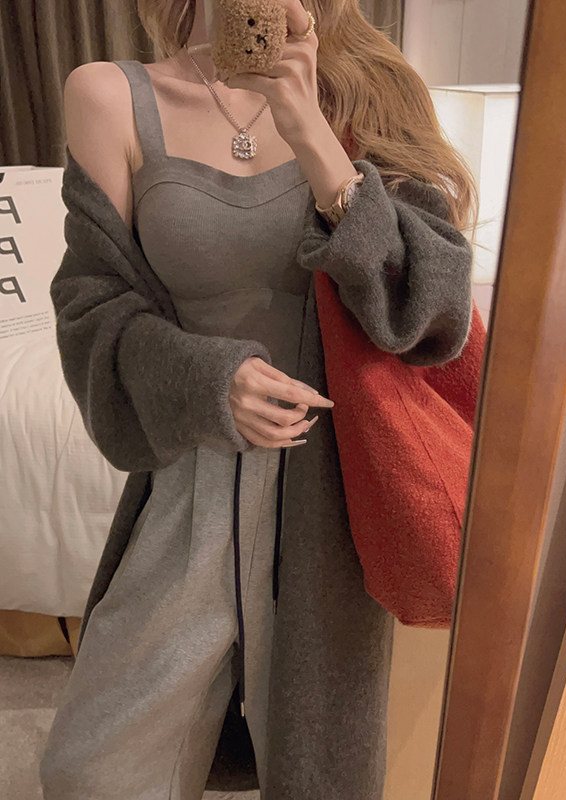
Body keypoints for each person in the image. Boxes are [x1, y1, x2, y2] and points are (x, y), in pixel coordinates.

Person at [40, 1, 478, 797]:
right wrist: (209, 379)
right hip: (191, 477)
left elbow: (430, 315)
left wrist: (313, 135)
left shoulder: (374, 89)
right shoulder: (110, 95)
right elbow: (90, 306)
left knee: (318, 767)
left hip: (335, 495)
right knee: (97, 764)